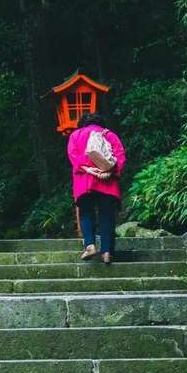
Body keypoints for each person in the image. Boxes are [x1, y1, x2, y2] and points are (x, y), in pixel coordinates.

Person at [68, 112, 127, 264]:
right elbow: (120, 156)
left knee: (86, 213)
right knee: (107, 215)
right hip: (107, 182)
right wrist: (110, 172)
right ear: (101, 123)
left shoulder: (76, 135)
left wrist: (88, 169)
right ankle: (107, 252)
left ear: (83, 123)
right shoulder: (110, 135)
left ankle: (90, 245)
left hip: (84, 181)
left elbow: (73, 155)